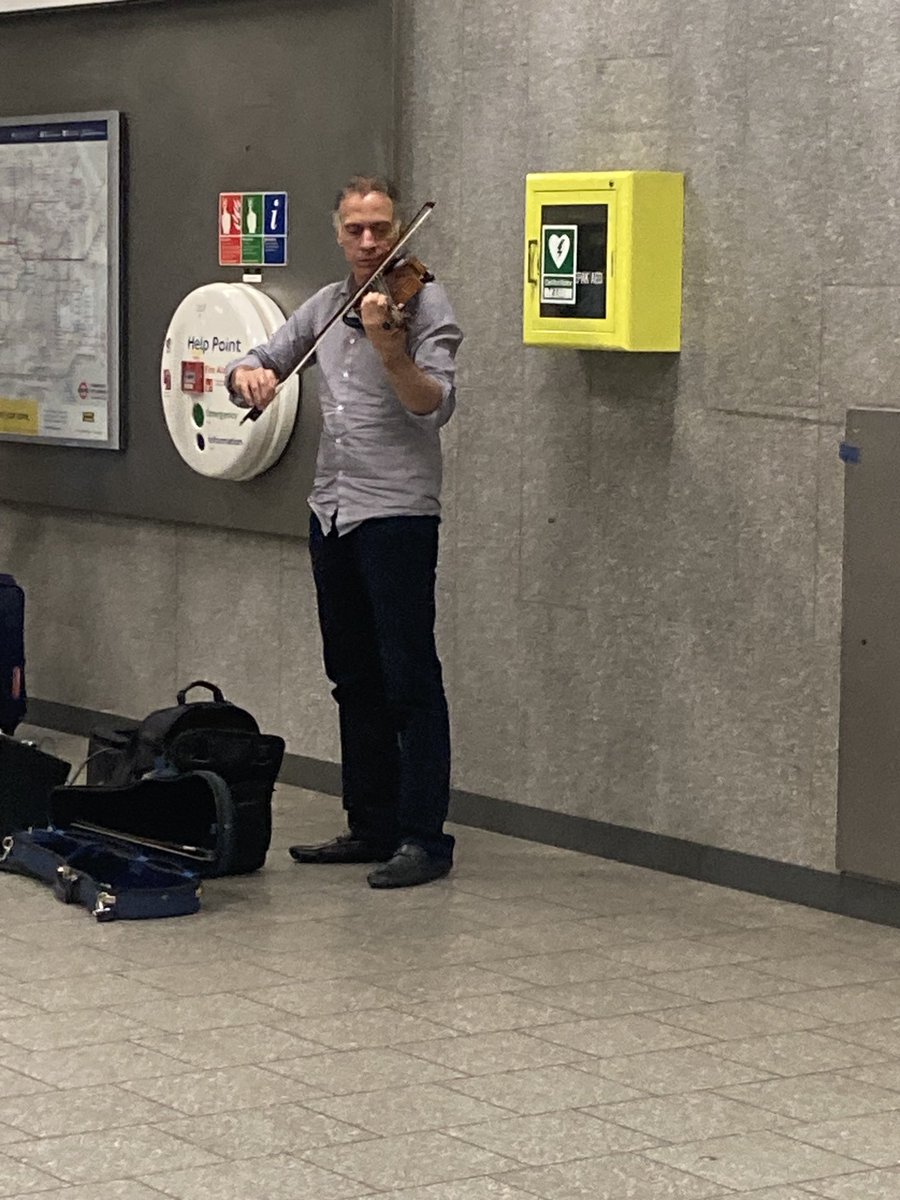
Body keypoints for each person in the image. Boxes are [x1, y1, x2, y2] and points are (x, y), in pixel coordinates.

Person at [226, 175, 462, 888]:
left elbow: (434, 407)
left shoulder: (425, 306)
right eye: (356, 230)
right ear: (338, 233)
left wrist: (394, 352)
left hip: (396, 510)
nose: (370, 242)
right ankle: (371, 824)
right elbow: (258, 359)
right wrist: (250, 380)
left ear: (398, 230)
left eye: (381, 228)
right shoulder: (329, 306)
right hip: (331, 506)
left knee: (408, 677)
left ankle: (424, 836)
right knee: (352, 675)